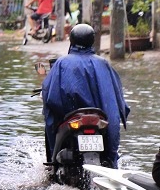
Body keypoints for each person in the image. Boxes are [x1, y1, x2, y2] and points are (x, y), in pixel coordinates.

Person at [41, 23, 129, 168]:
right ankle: (110, 161)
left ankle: (53, 161)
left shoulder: (62, 62)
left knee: (50, 117)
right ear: (92, 40)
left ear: (72, 40)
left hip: (71, 115)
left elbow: (50, 92)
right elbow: (115, 93)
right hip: (99, 116)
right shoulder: (103, 63)